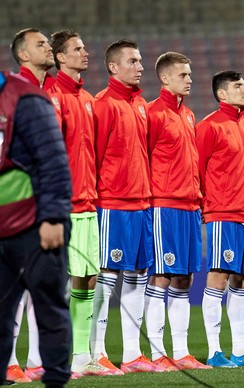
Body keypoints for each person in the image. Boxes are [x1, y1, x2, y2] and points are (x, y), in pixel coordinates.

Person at [91, 40, 162, 373]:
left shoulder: (141, 105)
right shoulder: (103, 105)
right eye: (133, 61)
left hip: (142, 204)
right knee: (107, 277)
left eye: (141, 60)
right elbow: (93, 157)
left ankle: (133, 355)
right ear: (113, 67)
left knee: (137, 277)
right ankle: (96, 352)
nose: (141, 66)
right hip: (113, 204)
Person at [47, 29, 115, 377]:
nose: (84, 53)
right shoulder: (52, 94)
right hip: (64, 204)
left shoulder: (87, 98)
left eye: (84, 47)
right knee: (58, 280)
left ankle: (79, 357)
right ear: (60, 57)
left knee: (87, 279)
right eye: (77, 49)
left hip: (88, 202)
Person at [0, 70, 73, 387]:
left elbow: (53, 160)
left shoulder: (25, 97)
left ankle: (55, 380)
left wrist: (53, 217)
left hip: (32, 226)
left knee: (49, 307)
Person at [197, 70, 244, 368]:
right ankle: (215, 351)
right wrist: (206, 206)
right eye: (238, 86)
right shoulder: (209, 127)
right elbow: (198, 170)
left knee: (242, 281)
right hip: (222, 213)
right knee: (219, 277)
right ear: (222, 94)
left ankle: (240, 350)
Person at [144, 51, 211, 370]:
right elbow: (141, 160)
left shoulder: (188, 115)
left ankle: (181, 352)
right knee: (160, 276)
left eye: (190, 73)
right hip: (163, 206)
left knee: (184, 279)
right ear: (165, 78)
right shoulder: (152, 114)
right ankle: (158, 355)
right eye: (183, 75)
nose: (189, 79)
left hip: (189, 207)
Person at [5, 27, 56, 383]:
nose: (48, 47)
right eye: (41, 44)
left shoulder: (48, 94)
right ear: (23, 54)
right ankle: (9, 362)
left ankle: (37, 361)